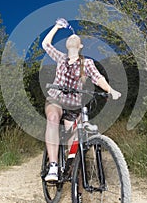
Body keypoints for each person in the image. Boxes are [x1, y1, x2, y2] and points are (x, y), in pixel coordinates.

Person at [42, 18, 121, 181]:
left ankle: (72, 171)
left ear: (80, 46)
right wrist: (57, 27)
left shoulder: (87, 63)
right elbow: (46, 45)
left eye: (76, 39)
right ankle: (53, 166)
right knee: (53, 117)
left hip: (74, 106)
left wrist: (111, 90)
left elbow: (98, 78)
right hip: (56, 100)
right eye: (71, 38)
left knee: (75, 138)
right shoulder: (61, 58)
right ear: (66, 45)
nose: (73, 37)